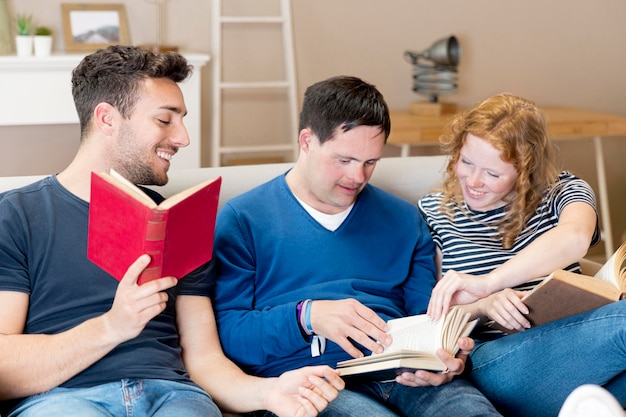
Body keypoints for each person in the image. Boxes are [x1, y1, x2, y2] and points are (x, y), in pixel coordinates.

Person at [0, 45, 344, 417]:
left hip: (173, 397)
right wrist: (112, 326)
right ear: (107, 119)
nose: (183, 138)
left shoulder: (177, 219)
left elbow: (205, 360)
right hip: (63, 400)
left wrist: (269, 393)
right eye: (165, 120)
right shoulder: (17, 215)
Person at [211, 75, 501, 417]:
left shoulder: (406, 221)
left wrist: (445, 355)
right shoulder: (243, 219)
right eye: (344, 160)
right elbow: (231, 336)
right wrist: (307, 317)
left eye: (370, 162)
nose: (358, 177)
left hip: (402, 376)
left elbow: (424, 316)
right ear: (307, 141)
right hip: (310, 380)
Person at [418, 93, 626, 417]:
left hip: (580, 341)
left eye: (492, 173)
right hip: (492, 360)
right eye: (467, 162)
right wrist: (486, 305)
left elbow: (575, 237)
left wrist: (489, 283)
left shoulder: (564, 190)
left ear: (525, 170)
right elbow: (430, 312)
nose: (473, 181)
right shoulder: (432, 214)